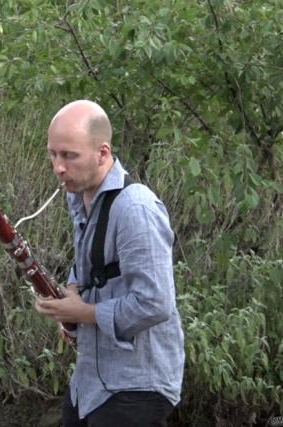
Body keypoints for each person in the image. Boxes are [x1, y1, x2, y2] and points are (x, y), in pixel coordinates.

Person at [34, 100, 184, 426]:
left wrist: (83, 313)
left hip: (137, 384)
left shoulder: (136, 209)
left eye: (69, 156)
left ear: (103, 153)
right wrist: (70, 295)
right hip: (91, 381)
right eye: (53, 154)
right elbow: (92, 264)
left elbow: (156, 303)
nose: (58, 167)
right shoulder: (79, 195)